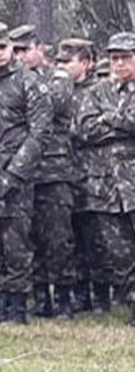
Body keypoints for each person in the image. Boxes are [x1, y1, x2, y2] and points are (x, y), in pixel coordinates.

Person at [0, 21, 51, 324]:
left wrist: (15, 174)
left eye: (3, 47)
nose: (0, 54)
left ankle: (18, 307)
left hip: (15, 177)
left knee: (16, 244)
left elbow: (40, 133)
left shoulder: (29, 82)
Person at [11, 24, 78, 318]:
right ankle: (40, 296)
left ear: (40, 48)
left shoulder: (59, 77)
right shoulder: (13, 81)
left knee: (58, 236)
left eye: (24, 50)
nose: (20, 56)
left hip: (54, 169)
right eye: (15, 51)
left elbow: (48, 107)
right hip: (23, 170)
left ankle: (64, 296)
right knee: (29, 236)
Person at [73, 33, 135, 324]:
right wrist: (119, 121)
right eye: (115, 58)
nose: (119, 63)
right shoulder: (97, 91)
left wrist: (107, 118)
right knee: (117, 250)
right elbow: (83, 130)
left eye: (126, 57)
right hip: (107, 187)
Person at [62, 39, 105, 313]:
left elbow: (89, 130)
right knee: (73, 235)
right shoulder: (61, 91)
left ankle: (102, 294)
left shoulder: (99, 91)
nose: (63, 67)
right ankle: (80, 292)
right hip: (67, 171)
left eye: (69, 61)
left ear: (86, 64)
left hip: (96, 173)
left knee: (97, 236)